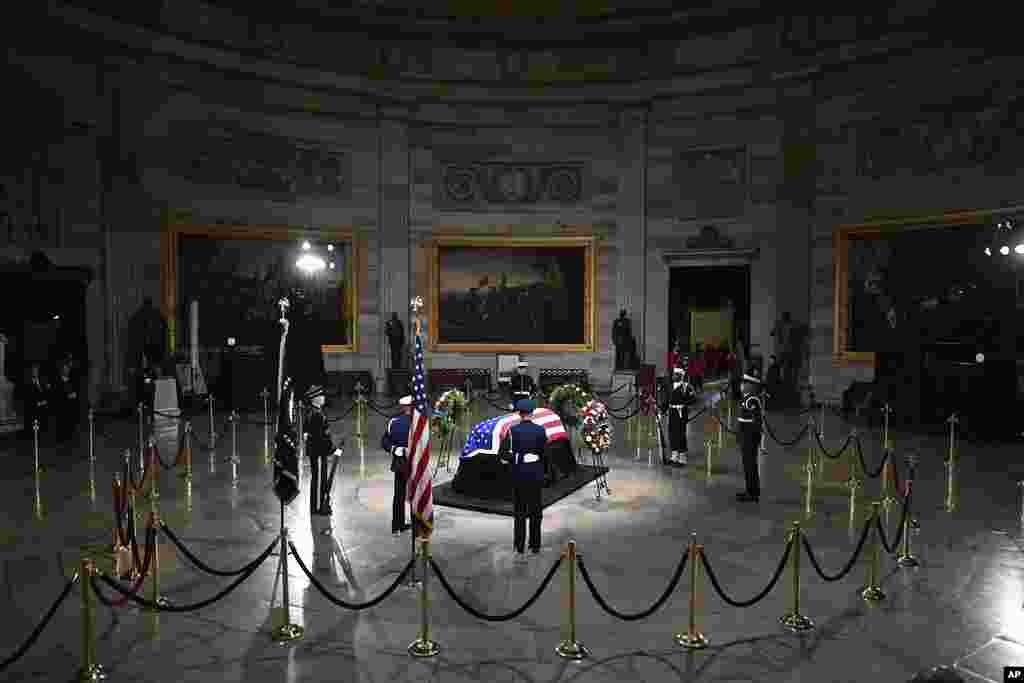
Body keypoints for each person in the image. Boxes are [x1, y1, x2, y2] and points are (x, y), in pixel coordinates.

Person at [500, 399, 548, 555]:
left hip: (518, 473)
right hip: (535, 473)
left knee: (520, 511)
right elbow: (544, 455)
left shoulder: (511, 431)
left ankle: (519, 545)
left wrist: (516, 458)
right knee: (536, 511)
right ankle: (535, 545)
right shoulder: (540, 430)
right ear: (532, 413)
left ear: (519, 413)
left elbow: (502, 454)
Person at [305, 385, 342, 517]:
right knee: (320, 479)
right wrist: (334, 450)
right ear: (315, 399)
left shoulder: (314, 412)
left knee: (318, 478)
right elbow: (321, 438)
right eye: (321, 396)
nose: (323, 397)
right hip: (319, 453)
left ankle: (317, 505)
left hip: (317, 451)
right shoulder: (316, 415)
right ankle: (319, 507)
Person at [381, 395, 413, 534]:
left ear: (403, 407)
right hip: (414, 462)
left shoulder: (393, 422)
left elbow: (385, 442)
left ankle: (397, 526)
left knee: (398, 495)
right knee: (415, 495)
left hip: (399, 462)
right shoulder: (419, 423)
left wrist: (395, 449)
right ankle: (416, 523)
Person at [736, 371, 765, 503]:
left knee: (750, 465)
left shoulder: (752, 399)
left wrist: (754, 438)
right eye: (743, 383)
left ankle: (753, 493)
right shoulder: (746, 398)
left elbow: (757, 422)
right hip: (744, 437)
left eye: (745, 383)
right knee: (747, 465)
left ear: (751, 386)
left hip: (749, 438)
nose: (742, 385)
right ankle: (750, 490)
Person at [667, 366, 696, 466]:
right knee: (672, 433)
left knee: (680, 434)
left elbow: (693, 399)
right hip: (672, 412)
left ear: (681, 375)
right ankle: (674, 456)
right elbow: (667, 399)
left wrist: (684, 405)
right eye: (673, 374)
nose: (673, 376)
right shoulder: (670, 386)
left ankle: (682, 457)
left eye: (676, 374)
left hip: (681, 413)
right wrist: (662, 410)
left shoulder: (686, 387)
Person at [53, 354, 80, 444]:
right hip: (61, 412)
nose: (67, 370)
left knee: (71, 434)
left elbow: (76, 392)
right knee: (62, 435)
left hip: (71, 411)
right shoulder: (57, 382)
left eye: (68, 369)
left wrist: (75, 395)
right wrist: (67, 396)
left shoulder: (72, 381)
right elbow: (57, 396)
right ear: (62, 370)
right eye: (65, 369)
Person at [22, 362, 50, 439]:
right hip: (33, 411)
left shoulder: (42, 381)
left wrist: (45, 401)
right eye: (34, 370)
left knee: (43, 431)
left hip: (43, 411)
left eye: (37, 370)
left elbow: (46, 393)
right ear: (31, 371)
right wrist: (38, 403)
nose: (35, 372)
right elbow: (27, 398)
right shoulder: (27, 383)